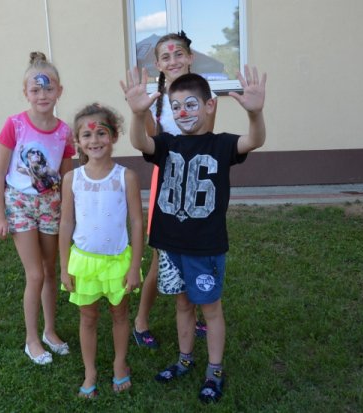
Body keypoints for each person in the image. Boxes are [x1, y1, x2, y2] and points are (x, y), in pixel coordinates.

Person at [121, 65, 266, 403]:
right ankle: (184, 360)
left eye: (190, 104)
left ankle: (214, 370)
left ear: (209, 105)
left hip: (205, 247)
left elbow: (254, 140)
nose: (182, 112)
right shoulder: (167, 144)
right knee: (183, 304)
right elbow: (140, 141)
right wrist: (138, 114)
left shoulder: (221, 144)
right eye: (176, 107)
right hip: (170, 246)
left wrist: (255, 114)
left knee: (210, 309)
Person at [133, 31, 216, 349]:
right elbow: (152, 143)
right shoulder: (155, 100)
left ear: (190, 57)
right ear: (157, 65)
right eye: (166, 57)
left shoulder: (205, 94)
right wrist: (141, 113)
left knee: (194, 250)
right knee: (161, 256)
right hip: (166, 182)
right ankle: (141, 320)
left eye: (178, 54)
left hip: (194, 180)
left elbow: (205, 140)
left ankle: (190, 315)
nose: (173, 60)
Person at [0, 51, 75, 365]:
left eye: (48, 88)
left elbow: (66, 176)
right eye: (36, 89)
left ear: (59, 91)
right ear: (26, 92)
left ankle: (50, 331)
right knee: (36, 274)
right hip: (20, 204)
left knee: (50, 272)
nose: (42, 95)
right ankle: (31, 339)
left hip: (51, 205)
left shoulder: (64, 132)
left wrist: (69, 212)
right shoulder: (14, 125)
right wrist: (0, 216)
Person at [59, 103, 143, 398]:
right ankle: (90, 371)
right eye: (87, 135)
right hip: (84, 263)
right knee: (88, 317)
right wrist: (64, 266)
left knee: (120, 314)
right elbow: (66, 223)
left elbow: (136, 222)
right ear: (77, 141)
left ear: (114, 135)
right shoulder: (72, 179)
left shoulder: (126, 177)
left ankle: (120, 363)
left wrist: (135, 266)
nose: (94, 140)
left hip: (118, 262)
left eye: (101, 133)